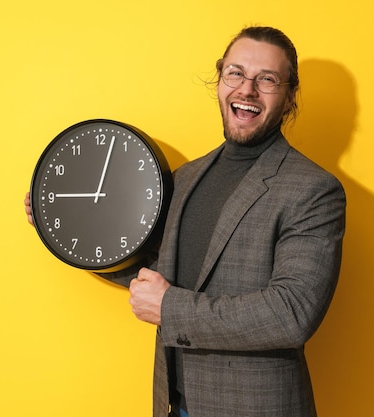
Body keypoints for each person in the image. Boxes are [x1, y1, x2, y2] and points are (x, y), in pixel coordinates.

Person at [25, 26, 346, 417]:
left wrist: (170, 308)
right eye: (236, 73)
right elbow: (155, 270)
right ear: (220, 79)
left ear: (289, 95)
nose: (247, 89)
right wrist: (63, 222)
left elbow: (291, 313)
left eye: (267, 79)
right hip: (175, 403)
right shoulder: (188, 177)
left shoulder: (313, 189)